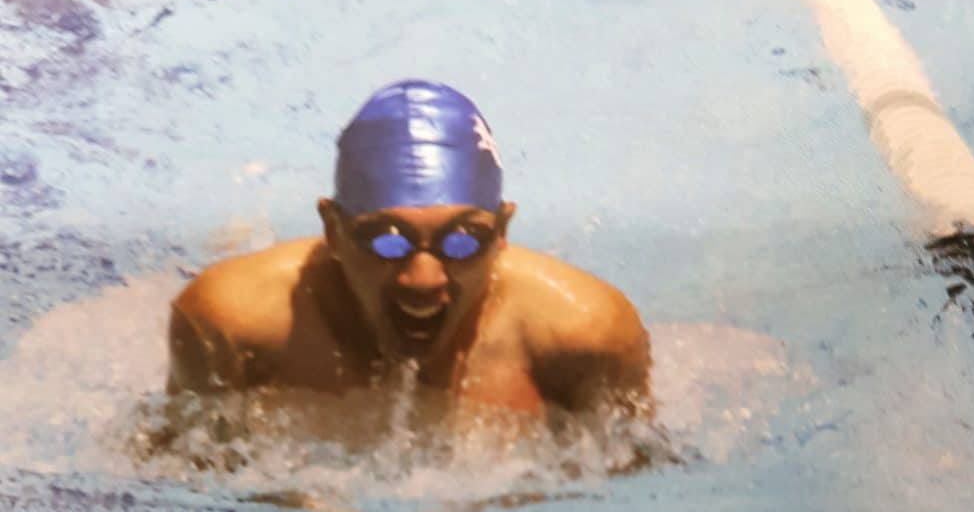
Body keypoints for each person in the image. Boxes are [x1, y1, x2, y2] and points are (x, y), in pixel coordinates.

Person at [166, 80, 651, 437]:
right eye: (387, 242)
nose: (423, 279)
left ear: (502, 232)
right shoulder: (232, 326)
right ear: (333, 230)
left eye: (462, 242)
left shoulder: (586, 335)